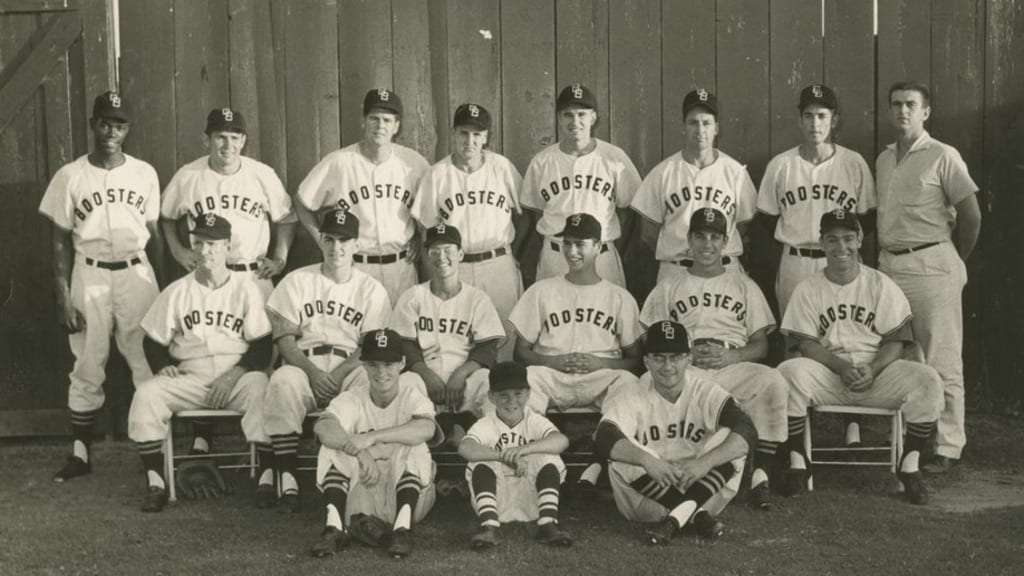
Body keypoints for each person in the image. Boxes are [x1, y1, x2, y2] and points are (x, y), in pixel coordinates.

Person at [776, 209, 943, 504]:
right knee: (788, 373)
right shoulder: (808, 289)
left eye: (848, 238)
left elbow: (897, 340)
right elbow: (805, 344)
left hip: (876, 374)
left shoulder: (880, 285)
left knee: (927, 379)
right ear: (822, 243)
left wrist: (874, 367)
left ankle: (910, 466)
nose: (841, 247)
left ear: (860, 240)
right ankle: (798, 462)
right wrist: (840, 367)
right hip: (829, 372)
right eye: (832, 240)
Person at [40, 91, 164, 482]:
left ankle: (156, 456)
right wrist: (62, 295)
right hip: (89, 271)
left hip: (135, 270)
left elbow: (154, 233)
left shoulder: (144, 173)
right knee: (87, 361)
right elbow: (59, 238)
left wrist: (162, 293)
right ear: (93, 124)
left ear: (128, 129)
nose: (112, 131)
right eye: (106, 123)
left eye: (120, 124)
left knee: (144, 358)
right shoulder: (71, 175)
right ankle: (80, 453)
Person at [640, 208, 787, 511]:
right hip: (687, 367)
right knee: (647, 384)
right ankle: (664, 465)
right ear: (689, 241)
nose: (707, 244)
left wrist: (734, 355)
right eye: (700, 236)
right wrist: (682, 355)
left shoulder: (743, 285)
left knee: (772, 380)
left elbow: (761, 345)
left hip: (732, 363)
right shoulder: (669, 286)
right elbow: (649, 340)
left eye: (715, 237)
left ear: (725, 242)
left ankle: (761, 474)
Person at [127, 214, 272, 512]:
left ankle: (268, 479)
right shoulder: (177, 291)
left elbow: (262, 345)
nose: (205, 251)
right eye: (199, 244)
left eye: (213, 244)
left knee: (262, 387)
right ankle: (156, 482)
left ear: (228, 247)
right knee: (146, 395)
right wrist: (161, 365)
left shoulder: (246, 289)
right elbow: (151, 340)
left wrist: (232, 376)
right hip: (191, 377)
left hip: (237, 377)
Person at [876, 81, 982, 473]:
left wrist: (952, 258)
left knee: (941, 355)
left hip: (932, 263)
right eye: (896, 105)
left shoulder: (943, 155)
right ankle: (907, 438)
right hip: (891, 265)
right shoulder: (884, 159)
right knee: (902, 353)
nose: (902, 111)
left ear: (926, 111)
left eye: (910, 105)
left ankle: (947, 445)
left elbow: (971, 216)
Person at [262, 209, 392, 511]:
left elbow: (371, 346)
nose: (337, 248)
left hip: (350, 366)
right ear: (320, 241)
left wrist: (336, 374)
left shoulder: (371, 289)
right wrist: (313, 373)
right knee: (282, 381)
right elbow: (284, 339)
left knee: (371, 384)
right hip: (304, 366)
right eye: (330, 239)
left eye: (345, 240)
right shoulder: (297, 281)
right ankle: (288, 477)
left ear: (357, 245)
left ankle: (364, 471)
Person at [508, 212, 642, 487]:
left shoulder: (619, 296)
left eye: (580, 244)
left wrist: (602, 364)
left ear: (598, 246)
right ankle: (529, 464)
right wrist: (552, 361)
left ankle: (605, 463)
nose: (571, 251)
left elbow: (635, 360)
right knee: (526, 381)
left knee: (629, 384)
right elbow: (520, 353)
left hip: (600, 376)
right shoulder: (541, 291)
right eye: (567, 243)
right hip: (552, 375)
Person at [596, 321, 757, 545]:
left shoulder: (705, 390)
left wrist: (706, 463)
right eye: (659, 357)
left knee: (734, 440)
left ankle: (675, 520)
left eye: (676, 357)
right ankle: (697, 516)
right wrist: (647, 461)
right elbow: (603, 437)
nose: (668, 366)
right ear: (646, 361)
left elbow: (747, 430)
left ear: (688, 359)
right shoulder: (632, 393)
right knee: (623, 450)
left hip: (701, 483)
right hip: (646, 498)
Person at [310, 329, 441, 559]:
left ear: (402, 363)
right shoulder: (352, 397)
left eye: (389, 364)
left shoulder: (413, 396)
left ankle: (403, 530)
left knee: (415, 446)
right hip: (362, 490)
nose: (381, 372)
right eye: (374, 364)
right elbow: (323, 427)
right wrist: (360, 453)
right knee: (333, 445)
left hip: (407, 495)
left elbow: (427, 429)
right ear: (364, 366)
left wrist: (372, 437)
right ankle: (334, 527)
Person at [294, 88, 430, 304]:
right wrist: (323, 240)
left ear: (397, 126)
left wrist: (419, 237)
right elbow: (303, 203)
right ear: (364, 122)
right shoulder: (339, 161)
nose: (380, 125)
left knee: (401, 334)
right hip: (357, 266)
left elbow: (431, 208)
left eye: (387, 120)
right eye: (374, 118)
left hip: (401, 268)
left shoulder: (413, 163)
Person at [412, 103, 525, 360]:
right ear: (454, 134)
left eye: (477, 134)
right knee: (458, 338)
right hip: (455, 267)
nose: (470, 141)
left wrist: (514, 252)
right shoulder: (437, 174)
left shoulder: (502, 167)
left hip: (498, 263)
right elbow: (427, 231)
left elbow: (525, 214)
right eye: (464, 133)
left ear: (486, 137)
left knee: (504, 335)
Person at [160, 107, 296, 299]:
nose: (228, 145)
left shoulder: (262, 174)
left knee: (260, 330)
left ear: (243, 141)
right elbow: (166, 217)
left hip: (252, 274)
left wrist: (280, 258)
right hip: (206, 275)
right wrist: (178, 252)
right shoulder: (188, 176)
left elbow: (287, 217)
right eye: (221, 137)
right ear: (207, 140)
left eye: (234, 137)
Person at [520, 84, 642, 287]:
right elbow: (534, 211)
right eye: (568, 115)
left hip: (601, 256)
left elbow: (630, 210)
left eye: (582, 114)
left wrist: (613, 244)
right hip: (556, 255)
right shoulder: (542, 161)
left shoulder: (614, 158)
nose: (575, 122)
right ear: (559, 118)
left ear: (593, 117)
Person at [631, 89, 757, 284]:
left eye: (706, 123)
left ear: (717, 127)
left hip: (724, 269)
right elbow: (648, 232)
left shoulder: (735, 172)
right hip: (677, 269)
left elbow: (745, 227)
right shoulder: (663, 172)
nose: (700, 130)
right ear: (684, 127)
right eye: (693, 122)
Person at [391, 223, 505, 438]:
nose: (441, 257)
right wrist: (426, 374)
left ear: (460, 254)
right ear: (426, 255)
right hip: (424, 374)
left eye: (447, 250)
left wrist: (461, 374)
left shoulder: (476, 298)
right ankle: (422, 442)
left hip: (466, 375)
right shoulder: (413, 296)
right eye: (434, 251)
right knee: (405, 384)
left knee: (487, 381)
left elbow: (488, 347)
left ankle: (487, 440)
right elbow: (403, 344)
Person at [458, 361, 573, 549]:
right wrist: (504, 456)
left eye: (518, 394)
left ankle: (547, 524)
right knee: (479, 463)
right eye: (503, 395)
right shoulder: (487, 423)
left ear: (528, 394)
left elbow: (561, 441)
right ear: (492, 397)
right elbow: (465, 448)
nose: (512, 402)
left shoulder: (534, 420)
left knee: (548, 456)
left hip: (534, 497)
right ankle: (488, 527)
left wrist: (522, 451)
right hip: (496, 498)